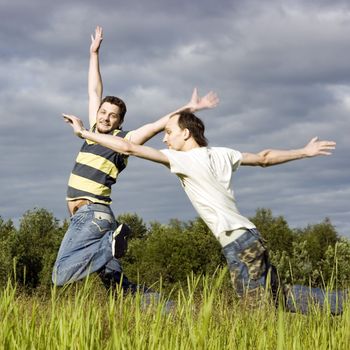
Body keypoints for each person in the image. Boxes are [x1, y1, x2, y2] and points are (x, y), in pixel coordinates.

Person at [62, 110, 346, 314]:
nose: (164, 139)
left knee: (258, 315)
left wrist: (84, 133)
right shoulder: (222, 153)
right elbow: (264, 158)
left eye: (169, 133)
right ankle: (343, 303)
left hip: (239, 245)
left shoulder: (182, 159)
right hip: (249, 237)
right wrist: (303, 151)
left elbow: (127, 147)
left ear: (186, 133)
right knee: (280, 299)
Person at [52, 26, 219, 293]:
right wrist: (94, 54)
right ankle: (167, 311)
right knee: (118, 288)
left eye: (113, 115)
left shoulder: (123, 141)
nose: (106, 117)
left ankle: (109, 245)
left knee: (60, 274)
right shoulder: (95, 131)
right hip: (93, 218)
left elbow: (155, 125)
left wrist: (189, 108)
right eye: (103, 113)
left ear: (120, 121)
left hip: (92, 215)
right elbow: (94, 90)